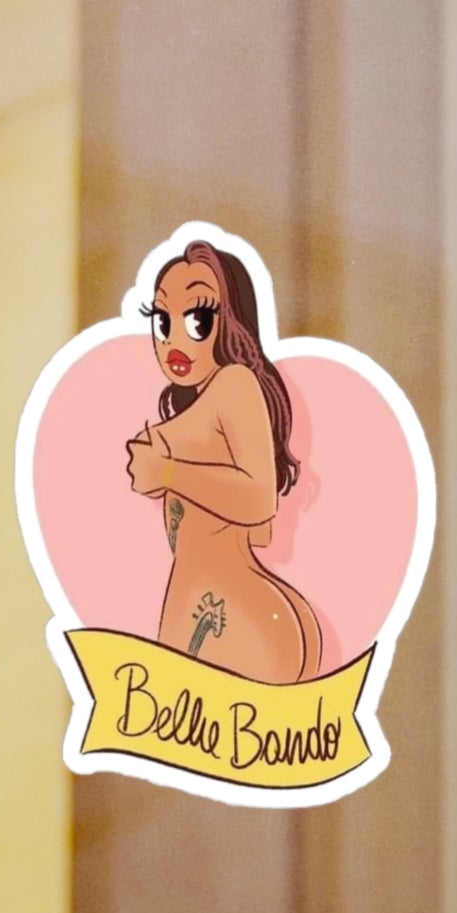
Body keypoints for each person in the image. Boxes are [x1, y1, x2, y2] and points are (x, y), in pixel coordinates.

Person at [124, 241, 322, 683]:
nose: (174, 340)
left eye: (198, 320)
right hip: (209, 598)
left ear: (230, 320)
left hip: (228, 611)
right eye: (163, 320)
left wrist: (167, 471)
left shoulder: (234, 384)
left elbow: (259, 499)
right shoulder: (208, 401)